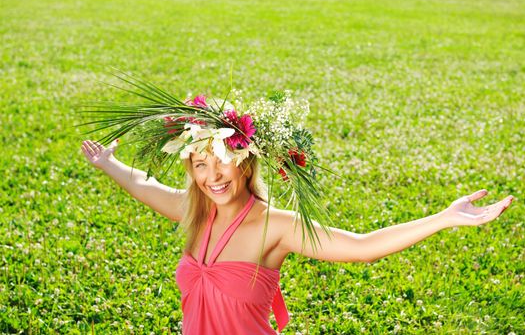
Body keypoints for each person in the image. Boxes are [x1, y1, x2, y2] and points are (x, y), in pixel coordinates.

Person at [81, 138, 514, 334]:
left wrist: (444, 217)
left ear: (245, 163)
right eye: (200, 165)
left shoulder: (277, 226)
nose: (212, 176)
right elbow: (144, 186)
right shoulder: (195, 213)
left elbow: (361, 247)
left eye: (222, 162)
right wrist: (108, 164)